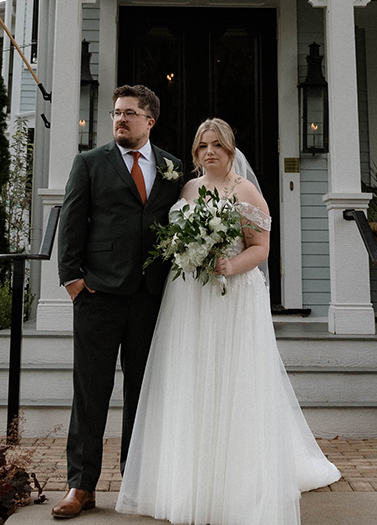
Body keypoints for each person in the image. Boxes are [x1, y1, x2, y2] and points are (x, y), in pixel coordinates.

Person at [116, 117, 340, 525]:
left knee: (231, 381)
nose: (209, 153)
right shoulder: (187, 189)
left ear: (231, 149)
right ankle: (189, 477)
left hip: (231, 297)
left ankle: (234, 479)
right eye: (202, 146)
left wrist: (228, 264)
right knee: (192, 381)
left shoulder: (245, 191)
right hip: (188, 299)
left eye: (217, 145)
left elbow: (262, 247)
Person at [52, 84, 186, 520]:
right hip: (98, 295)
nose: (120, 119)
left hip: (150, 297)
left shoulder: (172, 168)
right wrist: (72, 280)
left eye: (130, 113)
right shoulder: (90, 163)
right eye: (116, 113)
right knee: (91, 391)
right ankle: (81, 485)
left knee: (141, 392)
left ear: (150, 120)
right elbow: (72, 222)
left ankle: (136, 479)